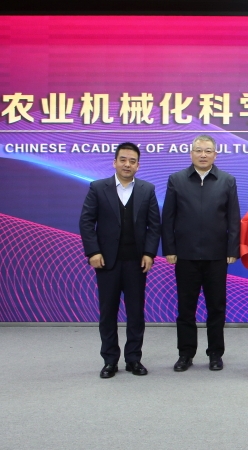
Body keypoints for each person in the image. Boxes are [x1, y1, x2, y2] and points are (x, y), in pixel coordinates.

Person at [79, 142, 161, 379]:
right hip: (107, 262)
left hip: (137, 263)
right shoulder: (98, 187)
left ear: (138, 165)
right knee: (108, 313)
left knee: (136, 313)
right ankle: (110, 360)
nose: (127, 165)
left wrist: (149, 253)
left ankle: (134, 359)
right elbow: (86, 222)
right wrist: (93, 252)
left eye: (132, 161)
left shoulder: (147, 189)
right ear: (114, 162)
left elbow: (154, 225)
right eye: (123, 160)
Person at [162, 135, 241, 372]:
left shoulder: (227, 180)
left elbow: (233, 218)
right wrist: (169, 248)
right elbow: (168, 217)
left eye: (208, 151)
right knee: (186, 308)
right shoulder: (177, 179)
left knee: (216, 307)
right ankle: (185, 354)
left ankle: (215, 353)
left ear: (215, 154)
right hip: (185, 255)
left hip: (217, 255)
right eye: (198, 150)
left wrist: (232, 249)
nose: (203, 155)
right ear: (191, 154)